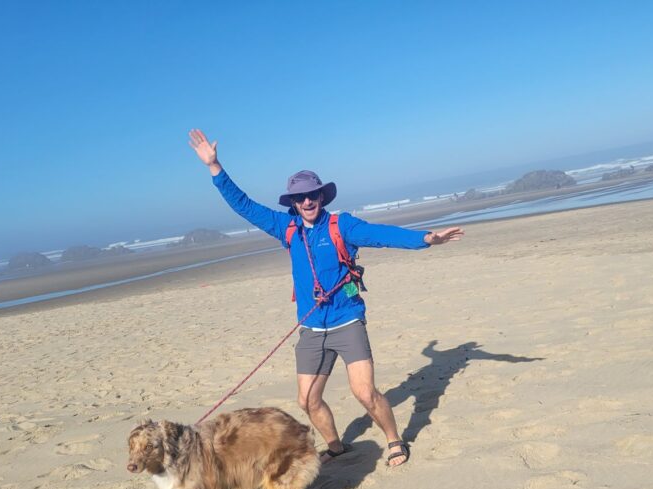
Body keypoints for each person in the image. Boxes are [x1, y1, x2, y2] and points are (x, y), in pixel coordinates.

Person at [188, 129, 464, 467]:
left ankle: (394, 439)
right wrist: (215, 168)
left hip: (347, 321)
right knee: (307, 400)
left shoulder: (340, 225)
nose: (306, 202)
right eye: (299, 197)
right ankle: (335, 447)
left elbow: (381, 234)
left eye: (312, 195)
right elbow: (244, 205)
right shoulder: (285, 227)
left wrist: (426, 238)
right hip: (311, 328)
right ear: (292, 203)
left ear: (322, 197)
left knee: (364, 393)